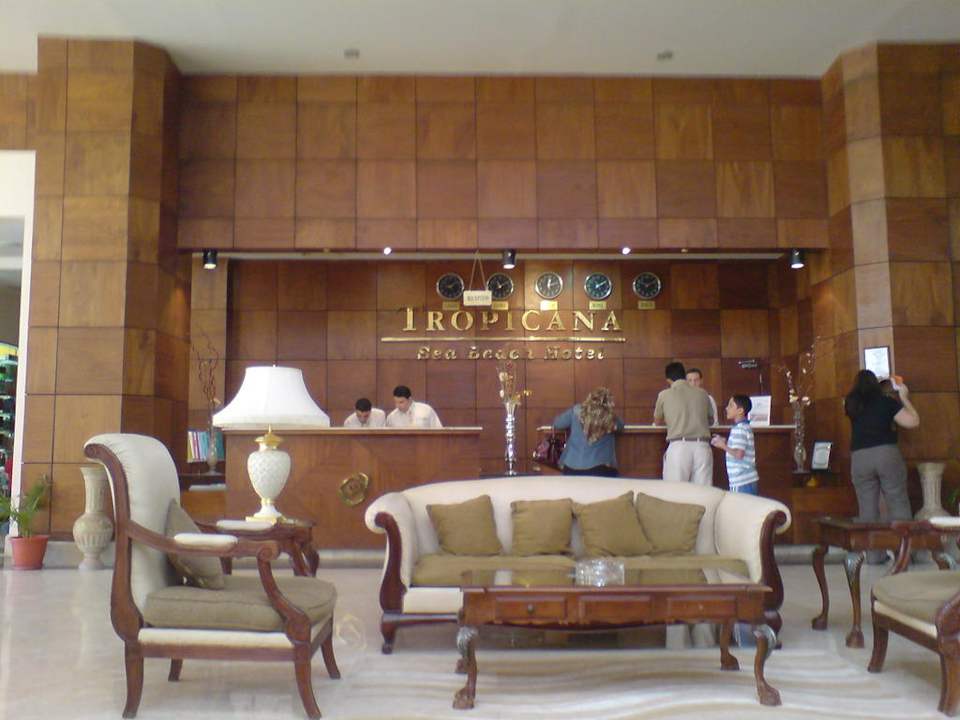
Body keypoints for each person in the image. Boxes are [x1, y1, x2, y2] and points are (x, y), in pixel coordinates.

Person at [845, 370, 920, 563]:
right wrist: (904, 397)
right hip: (886, 454)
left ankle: (873, 555)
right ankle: (904, 554)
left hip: (859, 457)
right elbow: (913, 421)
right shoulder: (886, 402)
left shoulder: (851, 405)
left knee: (867, 509)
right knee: (897, 502)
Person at [654, 361, 715, 485]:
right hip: (702, 447)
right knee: (704, 492)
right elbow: (711, 420)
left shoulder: (664, 395)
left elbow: (657, 421)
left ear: (668, 380)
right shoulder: (703, 394)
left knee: (677, 491)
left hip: (679, 447)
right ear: (684, 375)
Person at [552, 387, 625, 477]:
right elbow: (621, 427)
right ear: (609, 403)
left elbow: (558, 423)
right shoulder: (610, 417)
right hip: (601, 469)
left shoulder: (576, 411)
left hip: (572, 466)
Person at [711, 395, 759, 495]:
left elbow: (739, 454)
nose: (726, 408)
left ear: (740, 410)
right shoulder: (744, 427)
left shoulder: (739, 429)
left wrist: (723, 446)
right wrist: (726, 443)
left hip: (741, 480)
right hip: (746, 479)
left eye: (731, 405)